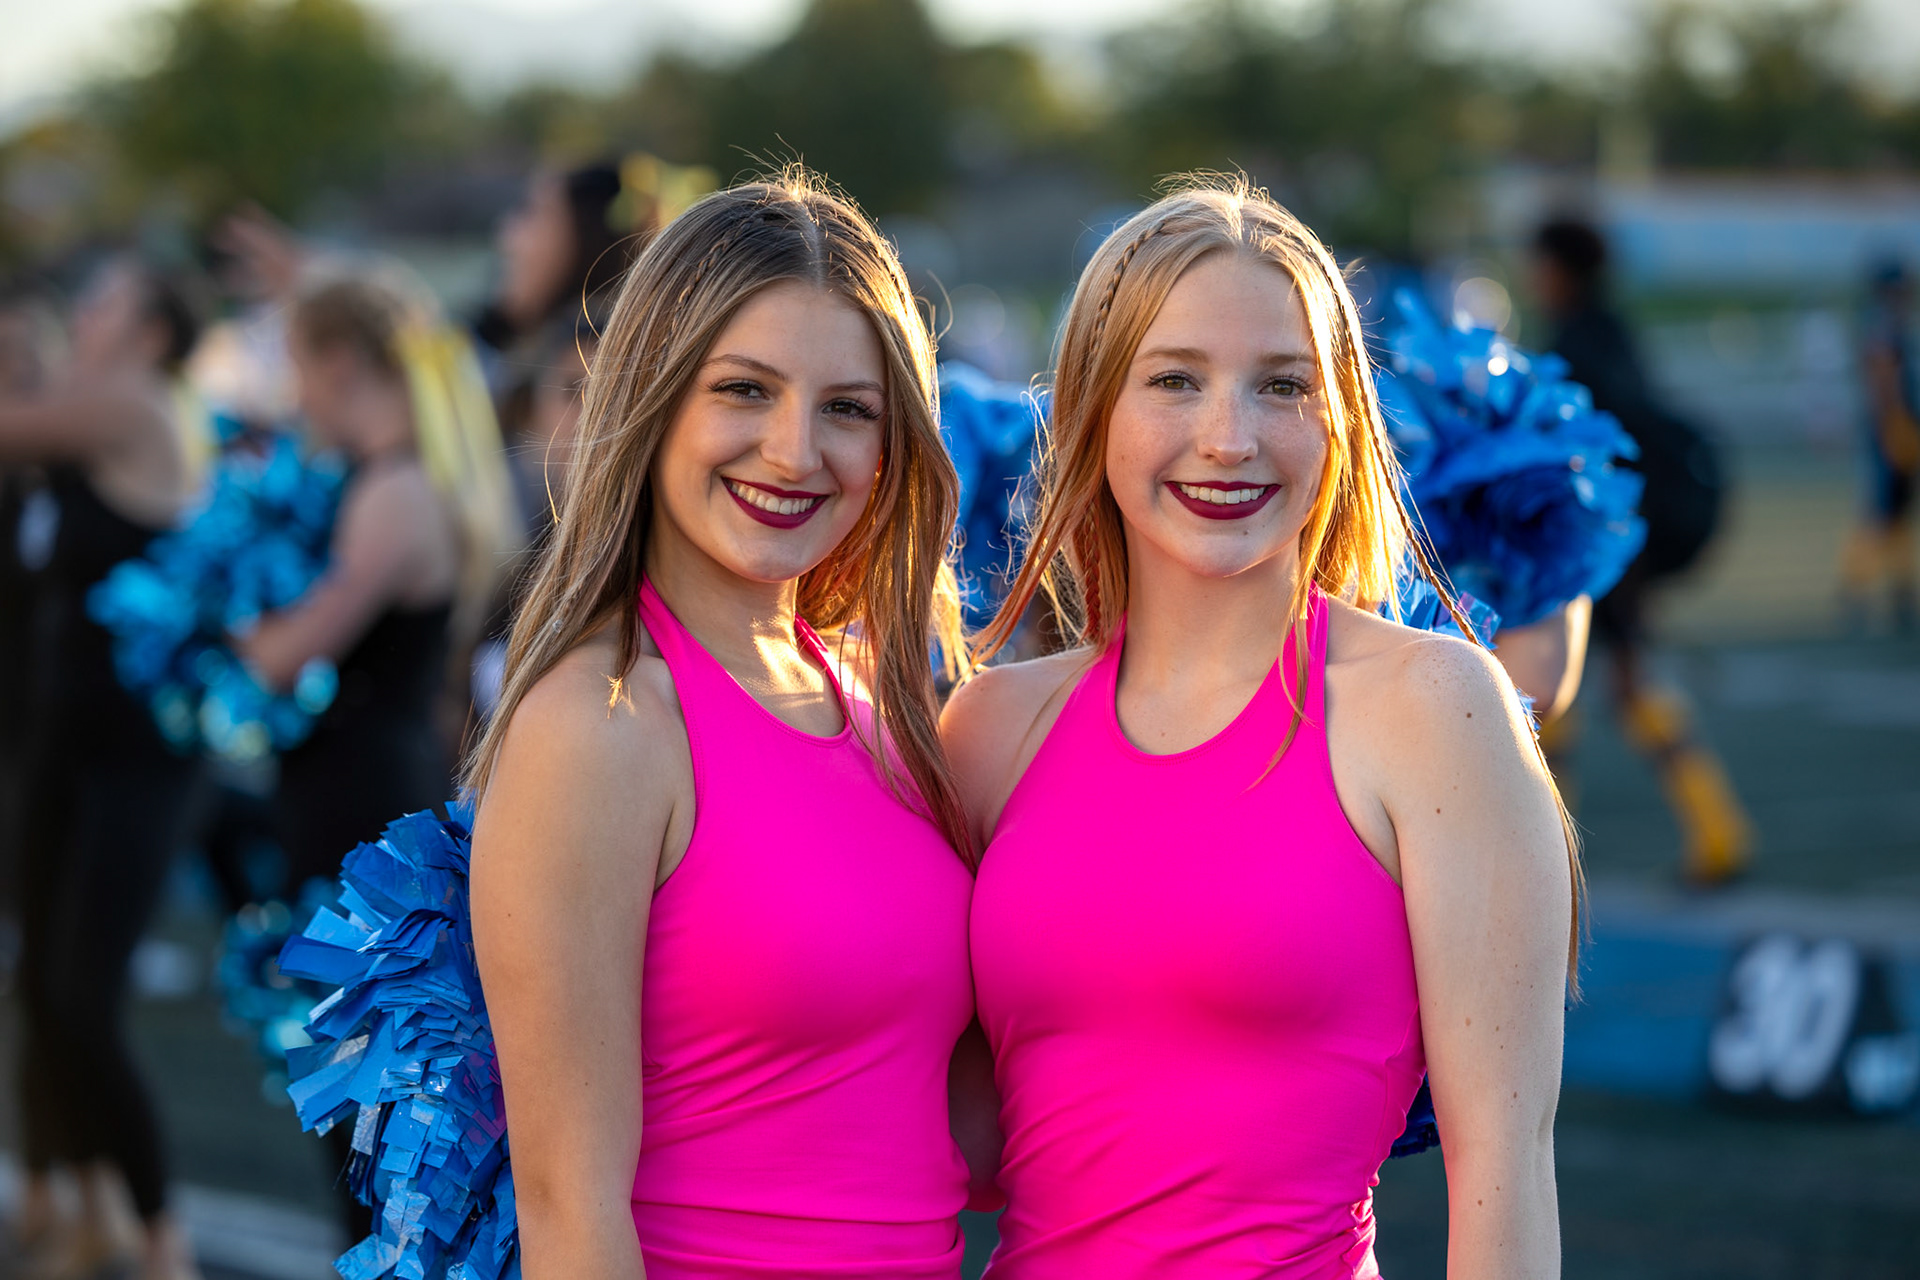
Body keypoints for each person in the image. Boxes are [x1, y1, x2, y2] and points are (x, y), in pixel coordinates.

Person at [944, 178, 1575, 1278]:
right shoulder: (990, 727)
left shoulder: (1435, 708)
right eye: (1175, 380)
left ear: (1341, 421)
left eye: (1283, 385)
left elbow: (1506, 1168)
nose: (1229, 437)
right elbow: (951, 1139)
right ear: (1092, 411)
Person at [465, 174, 987, 1278]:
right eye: (744, 390)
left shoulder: (880, 703)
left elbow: (942, 1123)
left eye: (848, 408)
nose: (795, 451)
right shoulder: (598, 724)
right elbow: (569, 1210)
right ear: (653, 397)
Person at [0, 256, 209, 1280]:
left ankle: (162, 1238)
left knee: (83, 997)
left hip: (138, 759)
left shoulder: (134, 406)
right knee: (42, 989)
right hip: (64, 748)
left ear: (151, 334)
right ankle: (89, 1209)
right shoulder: (87, 408)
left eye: (105, 301)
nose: (83, 310)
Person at [1531, 216, 1750, 884]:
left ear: (1559, 269)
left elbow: (1589, 455)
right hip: (1626, 539)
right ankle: (1716, 834)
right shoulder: (1611, 332)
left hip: (1600, 541)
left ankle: (1552, 857)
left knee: (1562, 694)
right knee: (1610, 687)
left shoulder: (1575, 345)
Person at [1839, 257, 1919, 630]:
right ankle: (1858, 590)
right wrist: (1895, 426)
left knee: (1896, 513)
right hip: (1889, 431)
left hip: (1893, 429)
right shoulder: (1882, 323)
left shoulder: (1886, 320)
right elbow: (1882, 378)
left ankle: (1899, 590)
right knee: (1882, 512)